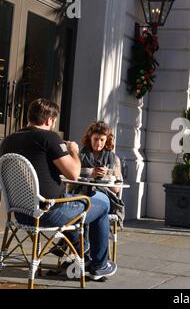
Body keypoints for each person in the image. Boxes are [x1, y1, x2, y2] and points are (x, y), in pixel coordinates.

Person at [0, 98, 117, 281]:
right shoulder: (49, 137)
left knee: (75, 200)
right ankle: (100, 266)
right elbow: (73, 173)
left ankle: (82, 253)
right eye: (53, 121)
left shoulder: (8, 141)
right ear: (49, 120)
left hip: (21, 213)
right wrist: (73, 151)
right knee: (102, 202)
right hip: (50, 212)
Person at [79, 122, 125, 227]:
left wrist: (107, 175)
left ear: (107, 140)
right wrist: (90, 173)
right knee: (82, 203)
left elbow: (116, 189)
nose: (98, 143)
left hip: (104, 195)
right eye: (96, 139)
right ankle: (81, 240)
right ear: (90, 138)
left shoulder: (113, 159)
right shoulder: (81, 155)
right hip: (82, 193)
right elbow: (73, 176)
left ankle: (83, 240)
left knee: (89, 204)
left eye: (102, 140)